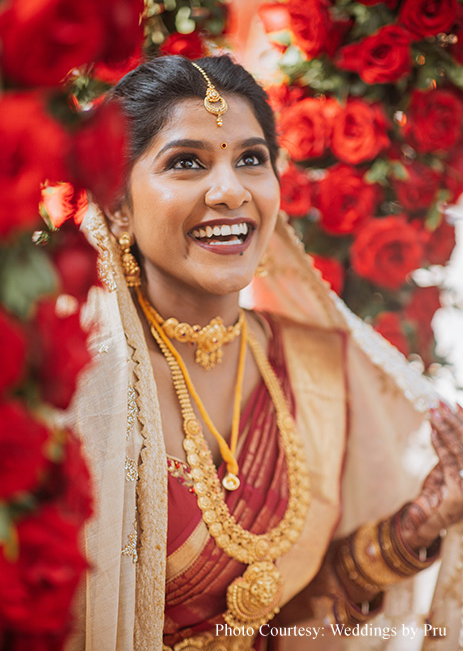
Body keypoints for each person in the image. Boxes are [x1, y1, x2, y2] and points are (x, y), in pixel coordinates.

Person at [59, 54, 463, 651]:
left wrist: (418, 524)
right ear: (118, 204)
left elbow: (290, 621)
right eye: (187, 162)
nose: (230, 190)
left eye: (251, 159)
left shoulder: (317, 365)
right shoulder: (79, 386)